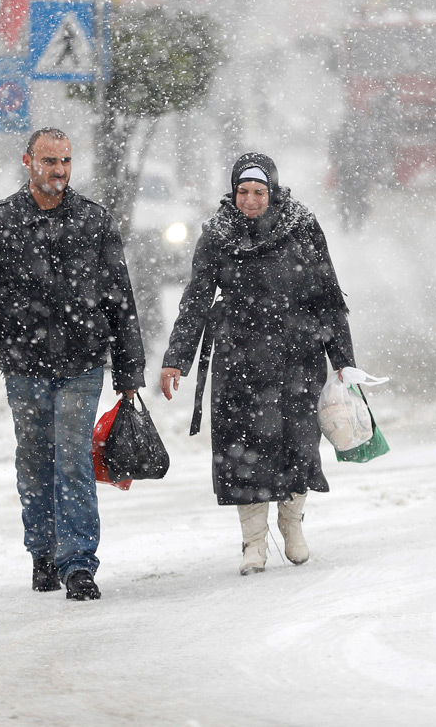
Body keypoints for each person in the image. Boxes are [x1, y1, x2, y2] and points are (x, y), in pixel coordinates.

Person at [0, 127, 145, 602]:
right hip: (23, 363)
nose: (59, 170)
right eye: (50, 161)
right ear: (28, 161)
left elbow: (120, 297)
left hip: (82, 361)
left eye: (66, 161)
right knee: (35, 460)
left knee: (73, 457)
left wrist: (128, 368)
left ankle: (78, 563)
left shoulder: (94, 222)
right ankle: (42, 552)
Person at [159, 152, 355, 575]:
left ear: (273, 191)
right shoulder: (217, 234)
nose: (250, 200)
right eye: (243, 192)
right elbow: (195, 300)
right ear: (233, 193)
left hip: (297, 355)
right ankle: (253, 543)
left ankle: (292, 525)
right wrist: (176, 359)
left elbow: (327, 294)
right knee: (243, 451)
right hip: (239, 357)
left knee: (299, 443)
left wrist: (343, 360)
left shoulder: (301, 226)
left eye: (259, 192)